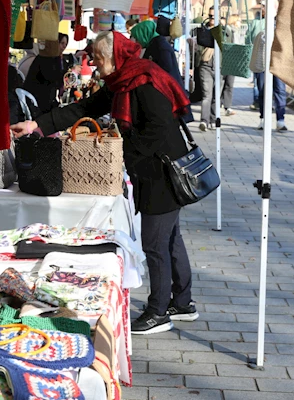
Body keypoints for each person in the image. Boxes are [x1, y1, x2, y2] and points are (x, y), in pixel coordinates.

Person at [11, 31, 198, 335]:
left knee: (155, 243)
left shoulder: (143, 81)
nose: (94, 64)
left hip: (162, 173)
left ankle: (158, 312)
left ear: (115, 55)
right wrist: (37, 125)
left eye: (98, 57)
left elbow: (160, 129)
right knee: (169, 237)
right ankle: (183, 302)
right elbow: (84, 109)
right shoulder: (123, 80)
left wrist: (125, 151)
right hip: (153, 169)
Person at [22, 34, 66, 115]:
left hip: (36, 101)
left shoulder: (43, 58)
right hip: (38, 105)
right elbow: (54, 80)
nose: (64, 47)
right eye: (61, 43)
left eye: (65, 44)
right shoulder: (48, 60)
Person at [254, 31, 288, 131]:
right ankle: (263, 118)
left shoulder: (283, 31)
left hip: (279, 66)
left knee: (280, 90)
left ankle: (280, 120)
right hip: (263, 64)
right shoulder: (261, 30)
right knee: (263, 91)